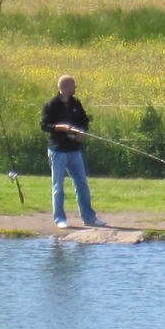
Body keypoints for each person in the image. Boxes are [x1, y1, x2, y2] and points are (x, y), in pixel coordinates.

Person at [40, 75, 105, 229]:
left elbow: (84, 121)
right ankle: (60, 219)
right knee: (58, 186)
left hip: (74, 150)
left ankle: (89, 218)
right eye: (73, 86)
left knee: (82, 184)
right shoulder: (51, 105)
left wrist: (81, 132)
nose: (75, 88)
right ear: (65, 88)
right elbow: (44, 125)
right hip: (58, 151)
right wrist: (59, 127)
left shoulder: (76, 103)